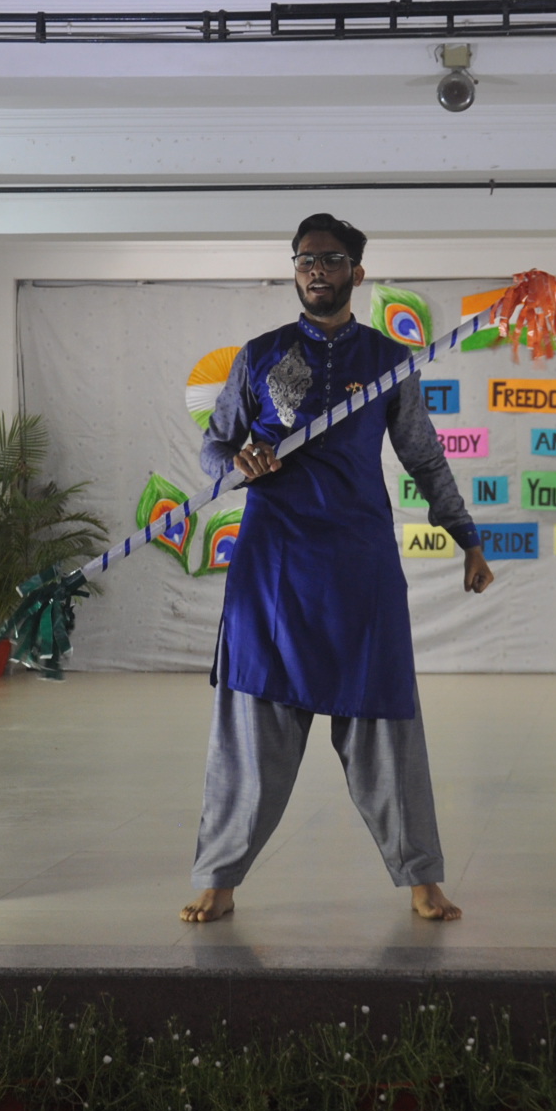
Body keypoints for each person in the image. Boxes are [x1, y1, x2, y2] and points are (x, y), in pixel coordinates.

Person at [182, 212, 492, 924]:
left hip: (359, 566)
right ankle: (219, 880)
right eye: (304, 259)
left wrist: (467, 538)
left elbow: (424, 457)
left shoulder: (388, 360)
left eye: (329, 259)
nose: (315, 270)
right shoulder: (261, 355)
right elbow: (213, 448)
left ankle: (421, 878)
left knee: (387, 726)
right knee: (250, 727)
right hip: (271, 568)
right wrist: (237, 461)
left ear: (357, 272)